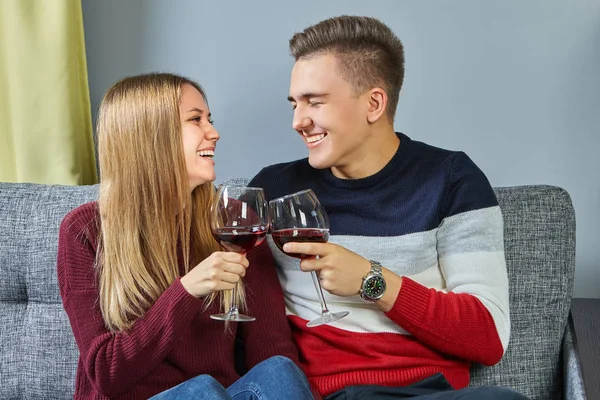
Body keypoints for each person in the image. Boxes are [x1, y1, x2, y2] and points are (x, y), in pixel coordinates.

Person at [249, 16, 528, 400]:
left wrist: (371, 280)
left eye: (315, 102)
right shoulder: (274, 190)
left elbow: (487, 337)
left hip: (425, 396)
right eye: (295, 103)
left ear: (374, 103)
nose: (299, 121)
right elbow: (254, 328)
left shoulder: (451, 180)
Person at [57, 73, 316, 400]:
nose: (214, 133)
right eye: (196, 120)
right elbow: (107, 374)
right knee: (202, 390)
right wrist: (187, 290)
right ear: (150, 136)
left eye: (209, 119)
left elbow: (270, 347)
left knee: (278, 369)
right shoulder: (85, 231)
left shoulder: (235, 222)